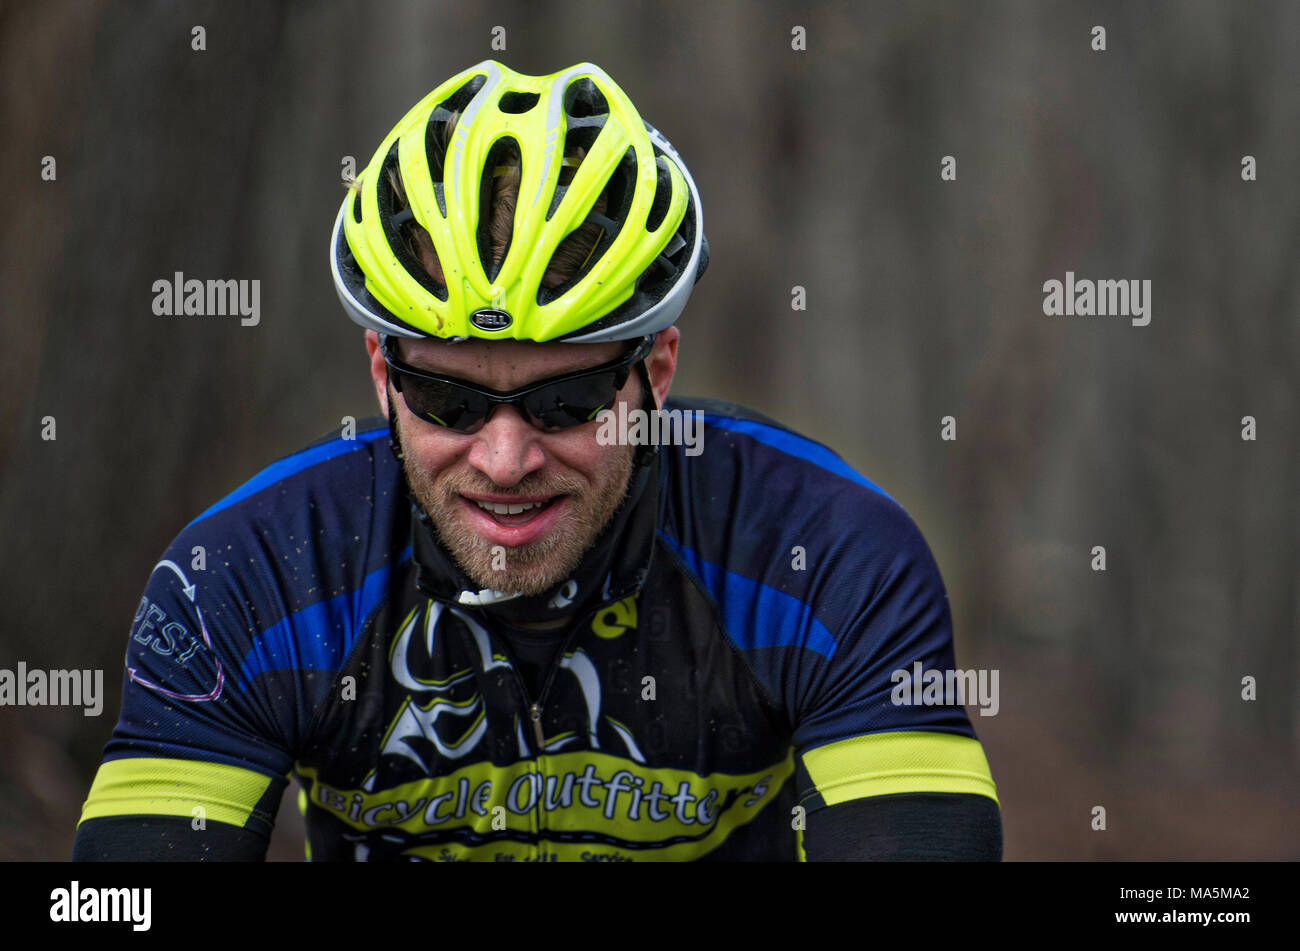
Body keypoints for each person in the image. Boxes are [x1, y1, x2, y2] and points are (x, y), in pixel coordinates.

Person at [73, 61, 1001, 861]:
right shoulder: (247, 578)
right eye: (450, 401)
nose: (507, 457)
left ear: (657, 373)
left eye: (567, 402)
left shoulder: (828, 558)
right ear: (381, 375)